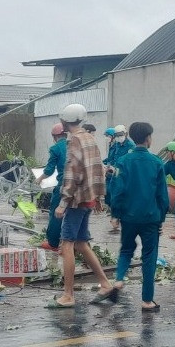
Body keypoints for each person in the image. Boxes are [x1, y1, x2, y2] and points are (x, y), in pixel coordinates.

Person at [47, 103, 116, 308]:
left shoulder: (75, 140)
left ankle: (68, 295)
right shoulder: (90, 138)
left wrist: (63, 203)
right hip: (89, 199)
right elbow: (98, 169)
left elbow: (72, 175)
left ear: (64, 121)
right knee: (81, 243)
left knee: (66, 245)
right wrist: (98, 199)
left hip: (76, 200)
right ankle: (105, 284)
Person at [110, 122, 169, 312]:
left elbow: (117, 190)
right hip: (150, 218)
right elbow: (162, 196)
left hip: (128, 216)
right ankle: (147, 300)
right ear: (148, 138)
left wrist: (116, 214)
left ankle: (119, 279)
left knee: (126, 249)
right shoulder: (157, 163)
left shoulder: (123, 162)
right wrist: (161, 219)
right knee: (149, 257)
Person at [34, 123, 67, 251]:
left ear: (54, 136)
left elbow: (49, 170)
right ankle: (75, 243)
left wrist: (39, 179)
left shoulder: (55, 148)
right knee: (74, 213)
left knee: (56, 213)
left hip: (63, 184)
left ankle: (53, 243)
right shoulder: (73, 145)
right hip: (77, 185)